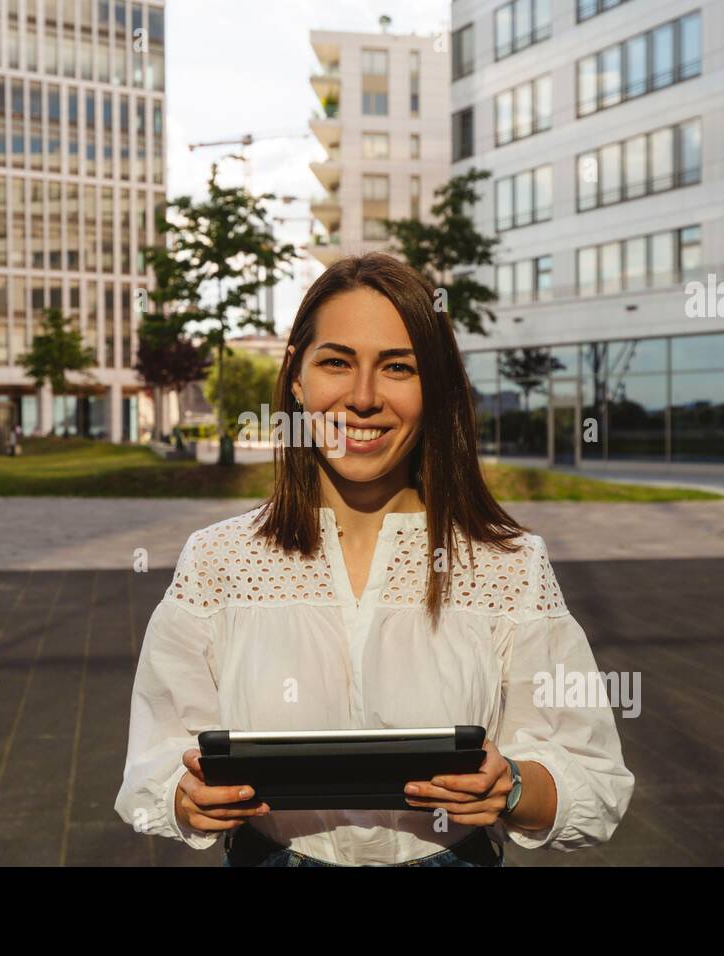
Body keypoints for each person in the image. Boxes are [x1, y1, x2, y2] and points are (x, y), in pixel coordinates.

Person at [114, 253, 634, 866]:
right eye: (337, 362)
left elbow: (593, 782)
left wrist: (512, 785)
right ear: (298, 378)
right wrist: (184, 797)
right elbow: (154, 760)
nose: (363, 398)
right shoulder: (218, 560)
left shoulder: (509, 564)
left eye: (398, 367)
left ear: (434, 389)